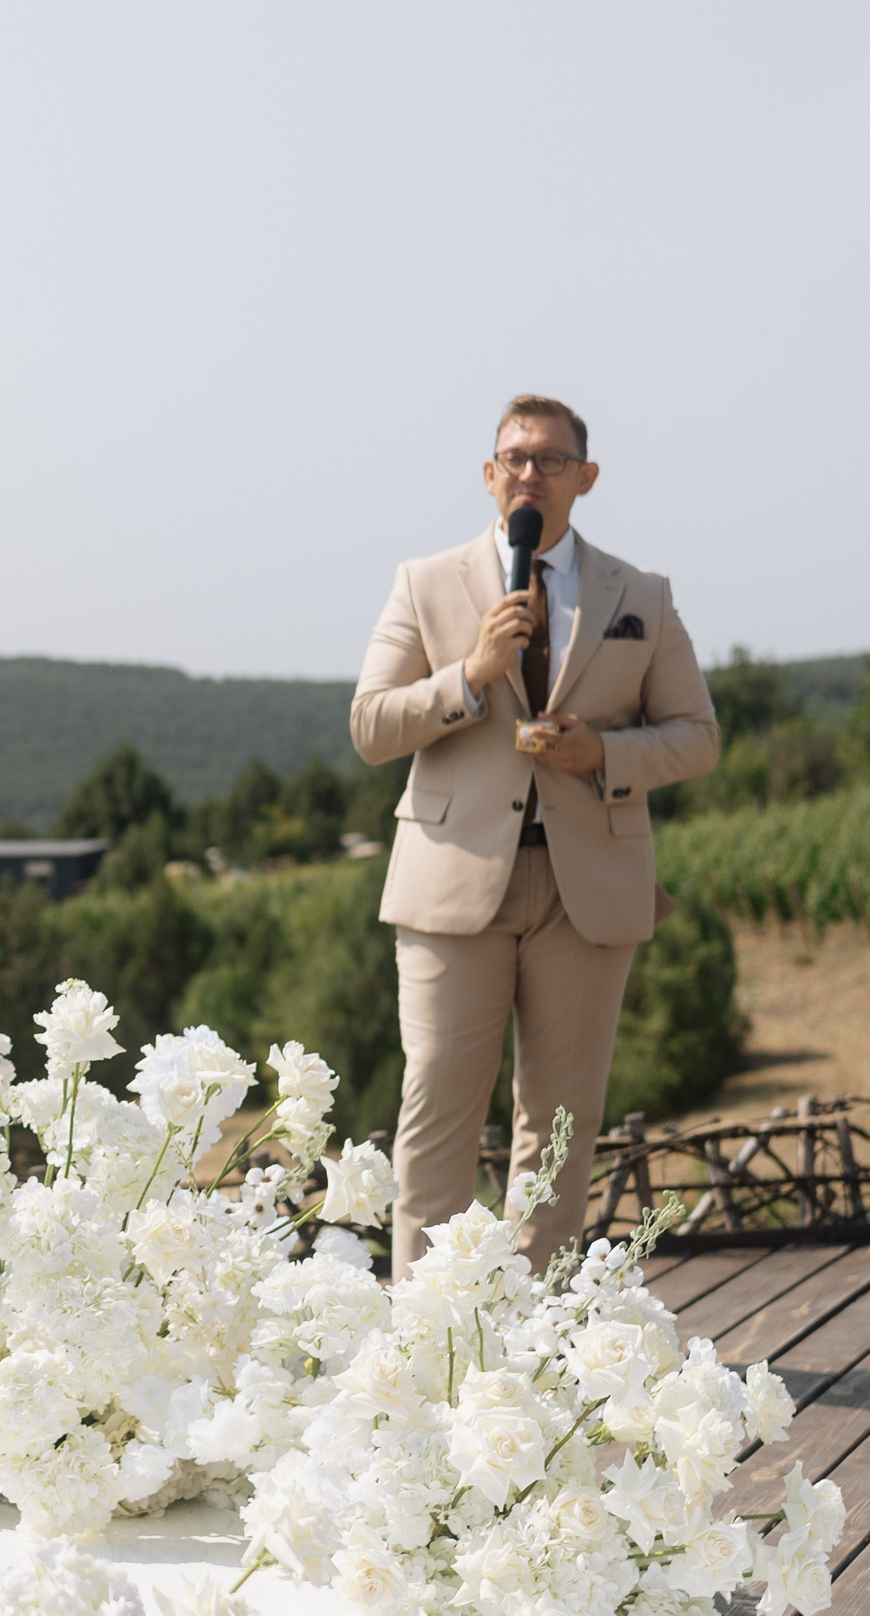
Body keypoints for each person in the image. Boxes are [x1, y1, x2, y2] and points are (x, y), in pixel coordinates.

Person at [350, 395, 718, 1276]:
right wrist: (470, 677)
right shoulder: (425, 582)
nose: (529, 474)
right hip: (452, 884)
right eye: (514, 458)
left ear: (584, 480)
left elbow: (698, 737)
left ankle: (530, 1336)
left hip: (586, 889)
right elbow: (370, 726)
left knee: (559, 1125)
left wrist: (604, 752)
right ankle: (424, 1335)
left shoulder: (643, 596)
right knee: (437, 1106)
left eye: (551, 460)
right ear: (489, 475)